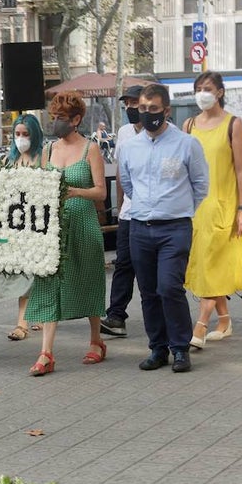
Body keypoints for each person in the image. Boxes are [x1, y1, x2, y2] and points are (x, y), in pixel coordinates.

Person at [118, 83, 208, 373]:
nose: (146, 114)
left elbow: (200, 185)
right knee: (148, 292)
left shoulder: (186, 143)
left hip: (175, 228)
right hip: (140, 227)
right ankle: (158, 348)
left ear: (166, 111)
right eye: (142, 109)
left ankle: (180, 348)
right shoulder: (130, 147)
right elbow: (128, 184)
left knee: (169, 286)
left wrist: (179, 210)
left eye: (153, 109)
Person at [25, 91, 108, 376]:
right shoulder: (47, 151)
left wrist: (74, 192)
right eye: (54, 117)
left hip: (83, 222)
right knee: (49, 283)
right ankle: (46, 352)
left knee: (87, 278)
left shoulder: (90, 149)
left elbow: (101, 192)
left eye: (61, 118)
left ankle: (96, 340)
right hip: (54, 228)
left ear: (76, 120)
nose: (56, 123)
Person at [183, 71, 242, 350]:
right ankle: (224, 320)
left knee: (214, 262)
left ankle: (200, 324)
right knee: (203, 265)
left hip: (223, 205)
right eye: (198, 88)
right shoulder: (188, 125)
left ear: (220, 92)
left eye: (207, 88)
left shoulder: (233, 124)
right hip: (193, 209)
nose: (202, 93)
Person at [100, 85, 144, 338]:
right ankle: (116, 315)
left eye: (134, 103)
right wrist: (119, 204)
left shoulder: (162, 132)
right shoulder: (125, 132)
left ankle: (163, 316)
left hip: (155, 213)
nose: (130, 109)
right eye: (126, 104)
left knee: (152, 268)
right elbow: (120, 170)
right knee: (123, 264)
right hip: (129, 212)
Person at [0, 114, 45, 342]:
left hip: (39, 227)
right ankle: (23, 321)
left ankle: (28, 321)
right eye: (17, 134)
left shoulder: (43, 158)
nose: (20, 138)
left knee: (38, 275)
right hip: (17, 227)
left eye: (25, 134)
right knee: (23, 276)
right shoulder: (10, 160)